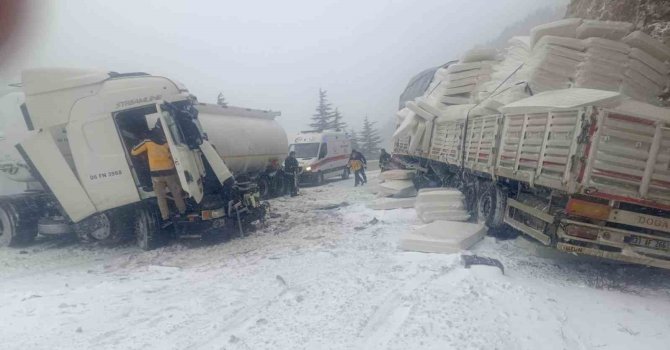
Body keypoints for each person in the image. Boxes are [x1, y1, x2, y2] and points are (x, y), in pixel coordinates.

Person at [131, 128, 186, 225]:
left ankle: (165, 217)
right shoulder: (166, 141)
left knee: (160, 197)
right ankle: (183, 211)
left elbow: (134, 152)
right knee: (176, 193)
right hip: (169, 172)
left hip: (156, 174)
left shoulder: (147, 141)